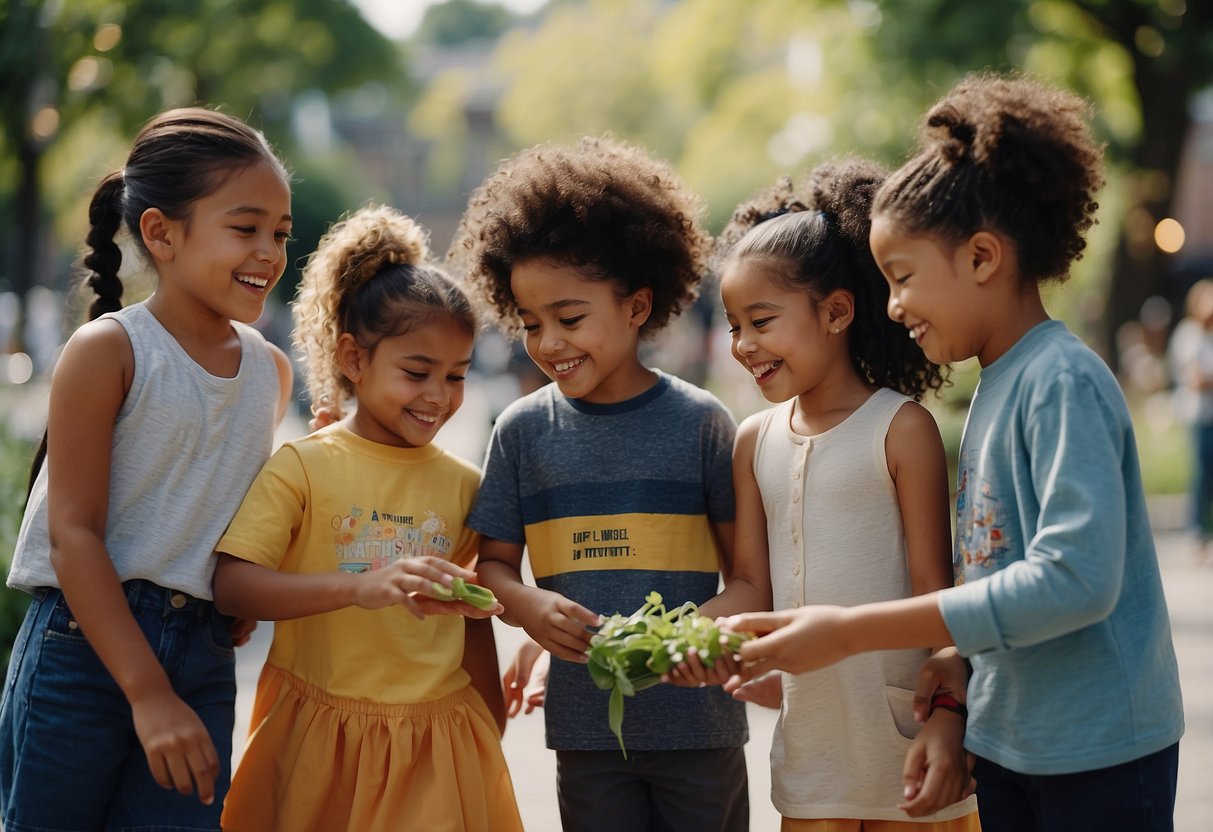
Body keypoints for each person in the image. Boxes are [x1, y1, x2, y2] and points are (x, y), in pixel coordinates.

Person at [724, 73, 1185, 832]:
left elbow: (1073, 581)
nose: (893, 305)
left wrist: (848, 629)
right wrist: (947, 693)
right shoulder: (993, 387)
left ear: (981, 257)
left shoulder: (1060, 379)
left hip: (1096, 753)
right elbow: (988, 583)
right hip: (1009, 745)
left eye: (901, 278)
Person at [449, 136, 768, 832]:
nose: (548, 343)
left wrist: (674, 639)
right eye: (530, 323)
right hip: (586, 730)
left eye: (569, 319)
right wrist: (527, 607)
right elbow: (493, 566)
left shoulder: (702, 424)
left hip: (700, 728)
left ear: (635, 306)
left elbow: (749, 584)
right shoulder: (521, 431)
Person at [0, 107, 294, 830]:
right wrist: (148, 693)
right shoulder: (109, 351)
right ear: (161, 233)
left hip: (200, 657)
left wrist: (239, 592)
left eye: (281, 234)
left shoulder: (272, 373)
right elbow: (74, 536)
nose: (269, 252)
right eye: (245, 227)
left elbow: (223, 512)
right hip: (81, 649)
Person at [211, 205, 523, 832]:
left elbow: (474, 616)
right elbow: (231, 585)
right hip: (319, 741)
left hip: (436, 742)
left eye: (456, 375)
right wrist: (359, 587)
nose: (438, 395)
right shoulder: (304, 467)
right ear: (354, 358)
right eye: (416, 372)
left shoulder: (466, 486)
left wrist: (488, 727)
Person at [714, 160, 979, 831]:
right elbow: (749, 583)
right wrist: (691, 634)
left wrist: (948, 721)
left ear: (834, 311)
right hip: (811, 758)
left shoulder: (900, 429)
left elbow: (936, 596)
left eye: (761, 321)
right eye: (733, 325)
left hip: (905, 748)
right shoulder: (751, 441)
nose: (744, 345)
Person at [1168, 278, 1213, 557]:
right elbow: (1193, 378)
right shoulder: (1188, 335)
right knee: (1201, 473)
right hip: (1199, 415)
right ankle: (1197, 530)